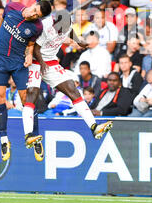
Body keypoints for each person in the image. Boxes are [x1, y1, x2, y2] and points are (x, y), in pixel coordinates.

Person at [23, 9, 113, 160]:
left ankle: (94, 127)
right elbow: (36, 48)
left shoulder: (66, 25)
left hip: (51, 62)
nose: (62, 31)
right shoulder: (46, 26)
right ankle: (28, 135)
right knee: (32, 95)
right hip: (37, 62)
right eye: (60, 28)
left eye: (65, 28)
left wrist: (79, 42)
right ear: (54, 22)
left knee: (73, 90)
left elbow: (71, 33)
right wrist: (42, 63)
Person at [0, 0, 52, 161]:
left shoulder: (37, 27)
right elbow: (4, 22)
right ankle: (4, 140)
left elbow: (31, 43)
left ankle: (35, 137)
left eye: (37, 15)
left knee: (27, 99)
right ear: (33, 4)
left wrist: (30, 53)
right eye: (34, 10)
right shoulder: (12, 6)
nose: (33, 14)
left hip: (18, 62)